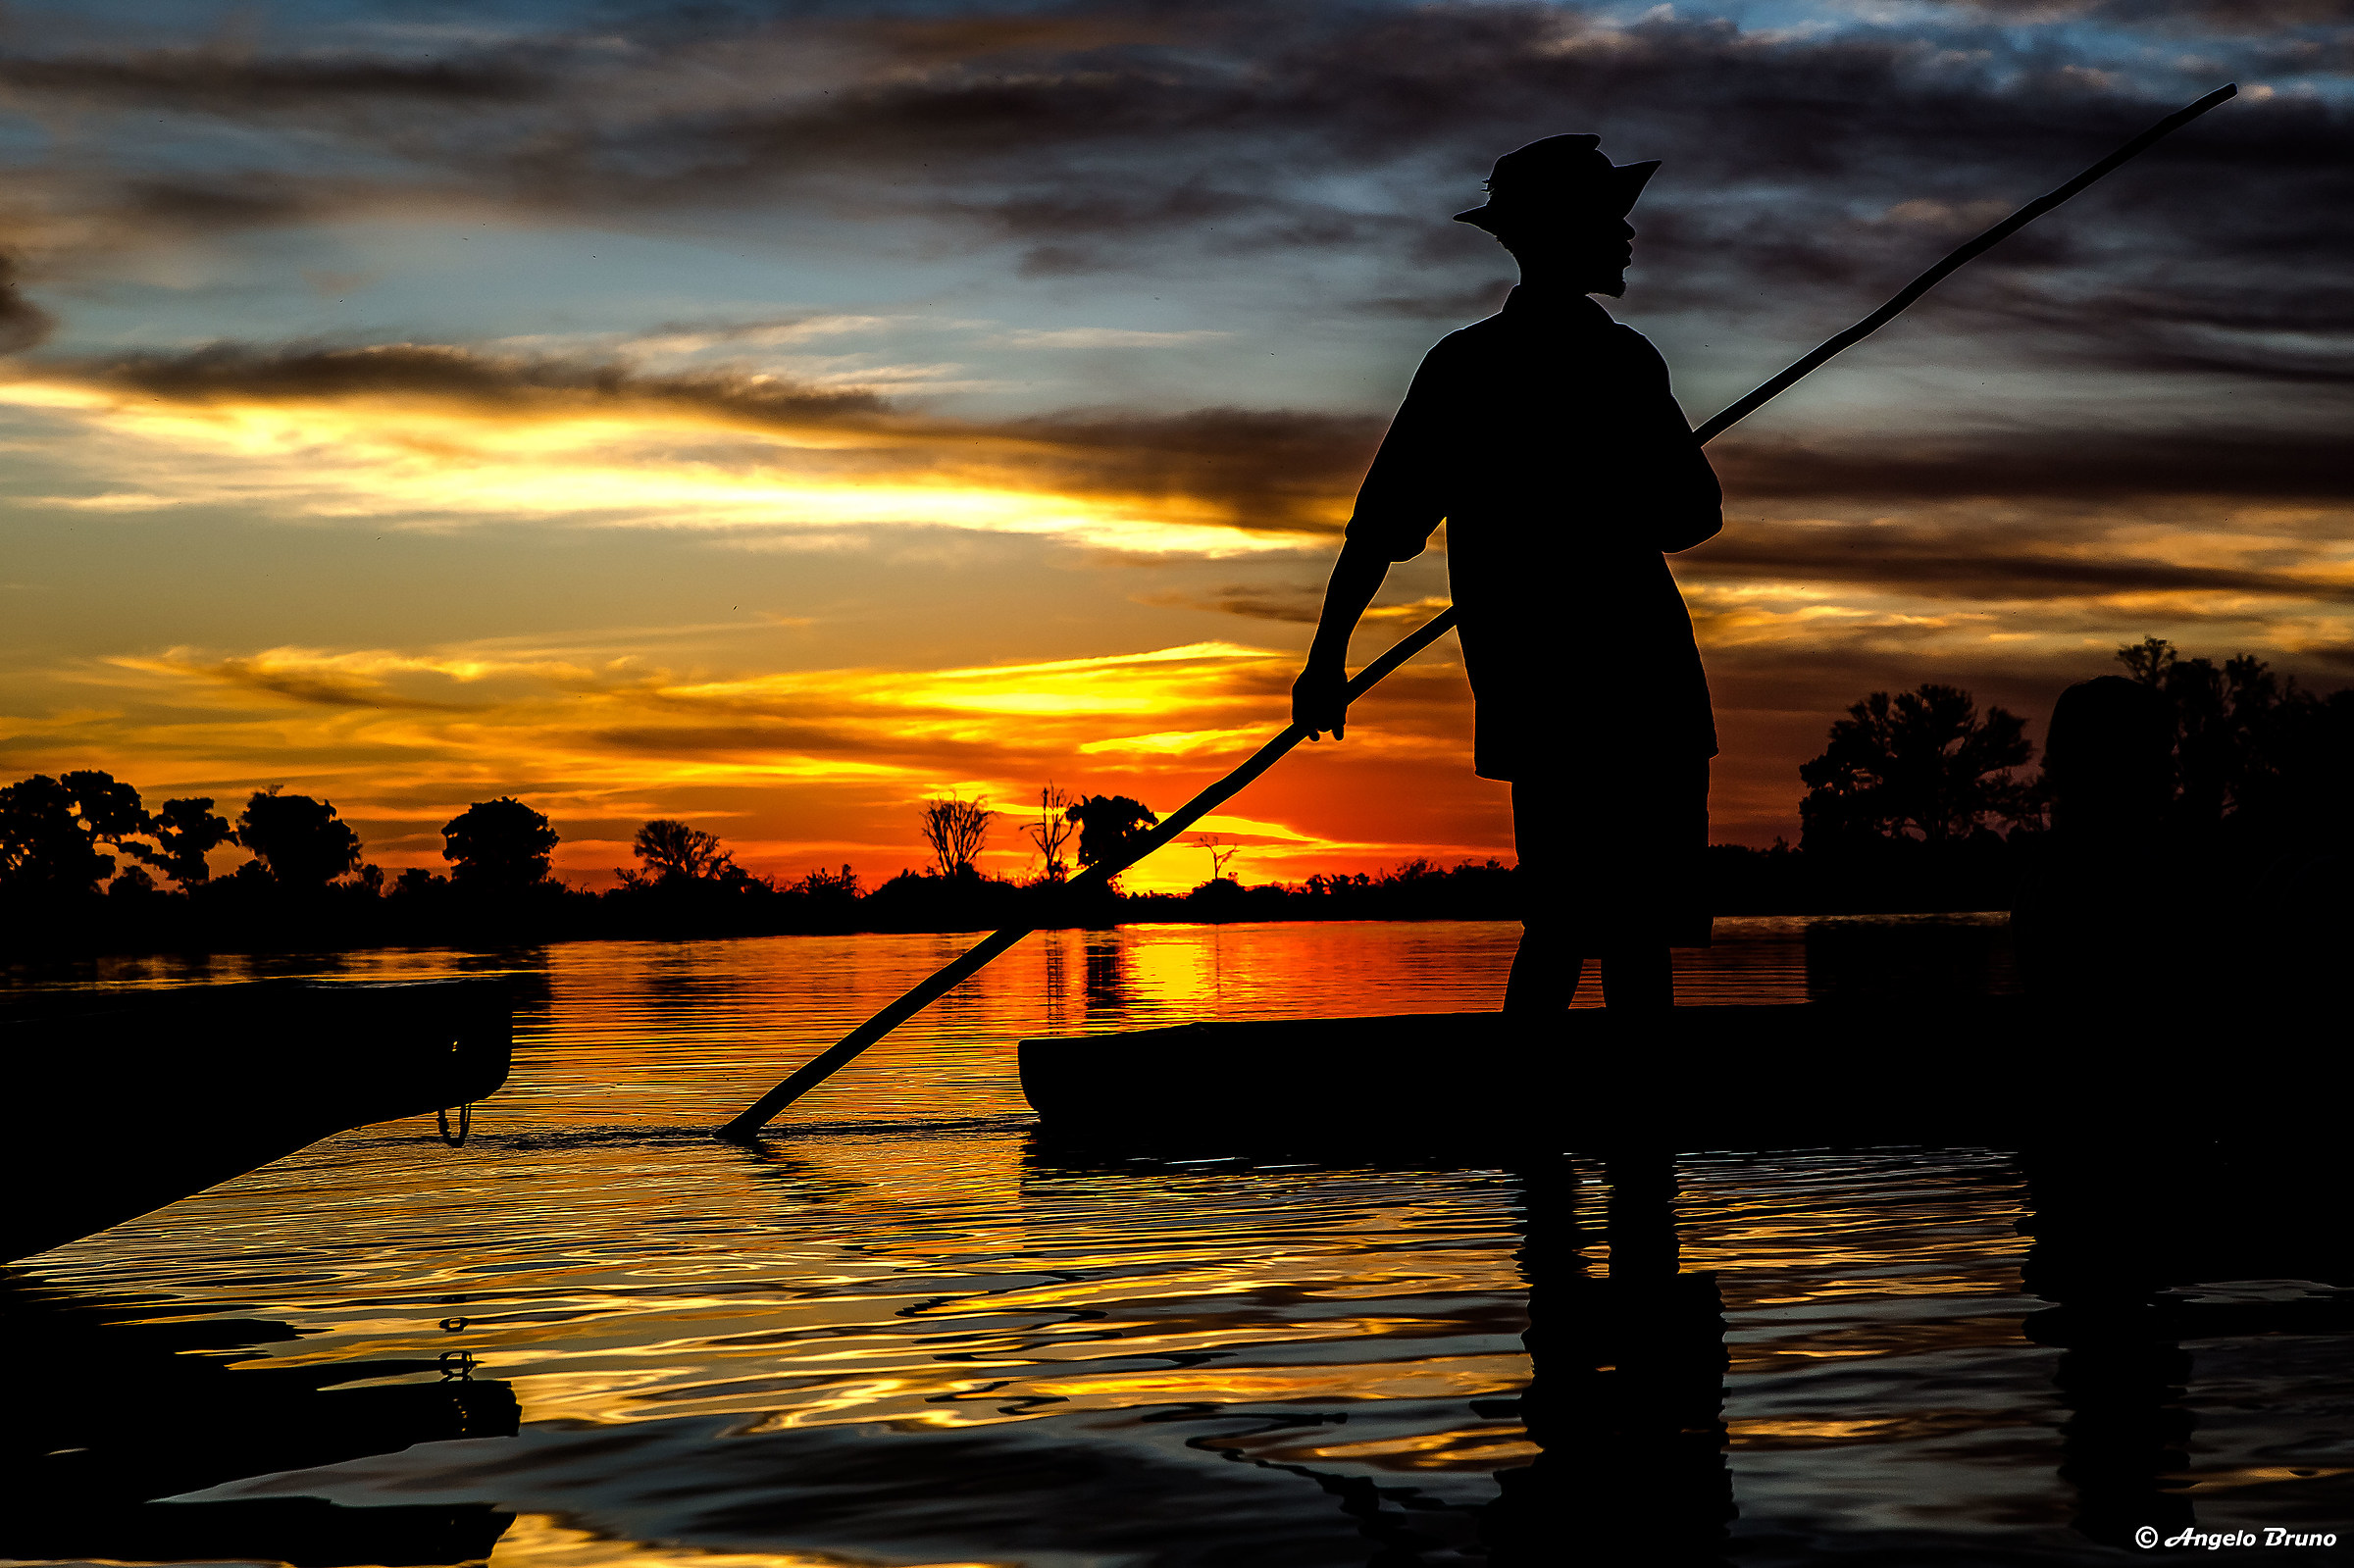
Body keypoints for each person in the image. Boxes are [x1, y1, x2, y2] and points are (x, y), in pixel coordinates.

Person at [1292, 134, 1722, 1012]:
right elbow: (1693, 515)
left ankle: (1569, 1100)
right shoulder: (1588, 365)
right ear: (1562, 234)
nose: (1628, 236)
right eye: (1609, 220)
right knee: (1595, 926)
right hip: (1612, 684)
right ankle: (1566, 1095)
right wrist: (1324, 661)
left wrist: (1327, 659)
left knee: (1592, 926)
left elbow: (1693, 515)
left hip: (1597, 685)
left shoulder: (1503, 365)